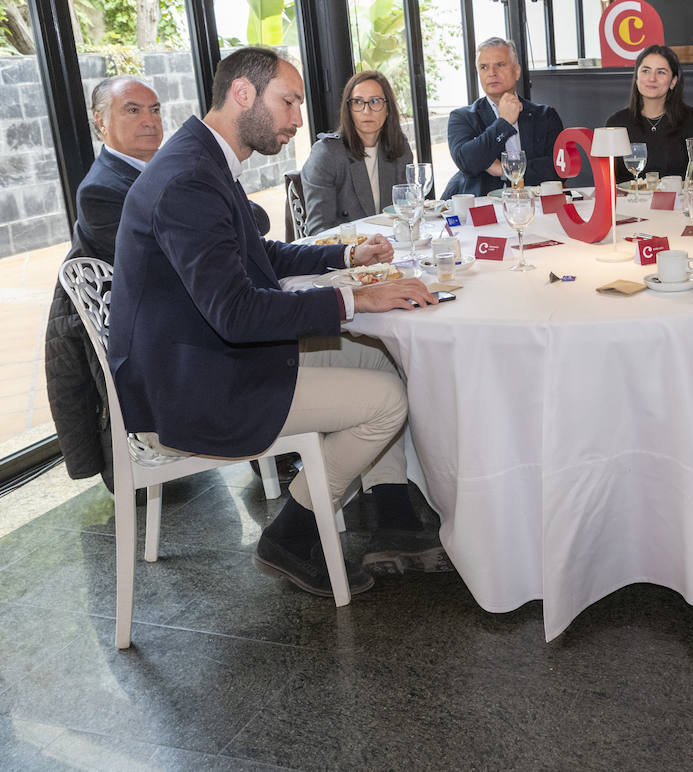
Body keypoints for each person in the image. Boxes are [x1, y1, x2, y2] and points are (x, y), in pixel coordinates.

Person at [109, 47, 447, 597]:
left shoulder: (202, 158)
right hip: (193, 386)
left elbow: (257, 256)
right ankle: (293, 531)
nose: (296, 119)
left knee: (381, 354)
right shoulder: (190, 179)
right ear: (243, 93)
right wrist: (357, 302)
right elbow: (237, 313)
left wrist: (344, 259)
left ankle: (390, 509)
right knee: (388, 399)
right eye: (288, 102)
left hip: (200, 356)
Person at [44, 76, 162, 490]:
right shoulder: (100, 190)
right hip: (146, 333)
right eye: (133, 109)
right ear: (101, 122)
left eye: (154, 109)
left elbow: (254, 218)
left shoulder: (164, 168)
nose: (149, 120)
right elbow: (164, 265)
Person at [441, 36, 564, 198]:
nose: (492, 73)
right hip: (483, 210)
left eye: (500, 65)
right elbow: (468, 163)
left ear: (517, 71)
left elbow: (559, 169)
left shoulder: (545, 115)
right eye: (484, 67)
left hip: (535, 206)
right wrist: (504, 122)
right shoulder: (463, 117)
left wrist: (504, 170)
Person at [301, 70, 413, 235]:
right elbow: (319, 230)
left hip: (390, 247)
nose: (366, 111)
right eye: (358, 102)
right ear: (349, 109)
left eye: (375, 101)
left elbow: (407, 213)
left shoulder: (399, 147)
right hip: (345, 252)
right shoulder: (327, 153)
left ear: (388, 108)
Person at [604, 44, 693, 180]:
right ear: (637, 78)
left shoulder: (689, 121)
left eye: (661, 72)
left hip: (677, 200)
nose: (652, 78)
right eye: (646, 71)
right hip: (630, 200)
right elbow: (608, 180)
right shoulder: (616, 124)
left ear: (673, 82)